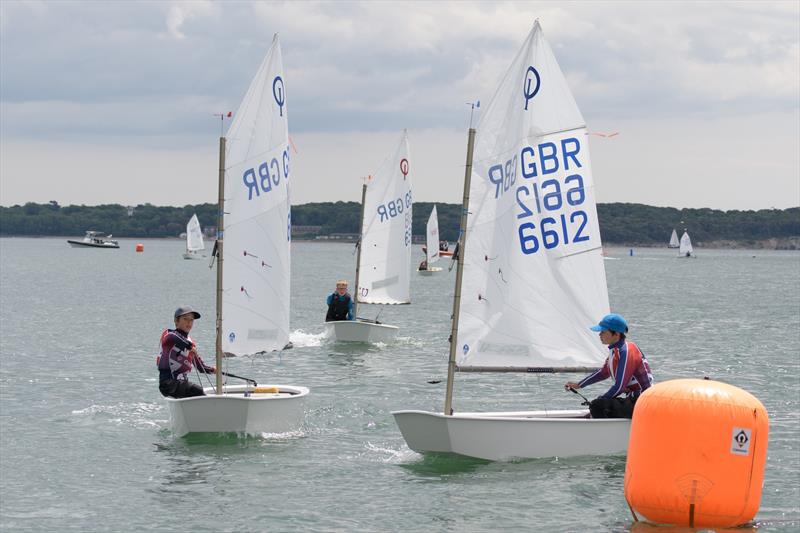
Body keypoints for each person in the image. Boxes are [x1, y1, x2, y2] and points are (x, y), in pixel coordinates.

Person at [564, 313, 653, 419]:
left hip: (643, 402)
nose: (599, 334)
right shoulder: (615, 351)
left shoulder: (628, 351)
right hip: (633, 400)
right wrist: (579, 384)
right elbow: (603, 373)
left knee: (598, 405)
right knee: (598, 404)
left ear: (616, 334)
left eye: (603, 331)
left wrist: (601, 400)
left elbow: (620, 387)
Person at [157, 306, 216, 398]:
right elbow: (175, 337)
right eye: (185, 319)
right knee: (197, 390)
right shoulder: (169, 335)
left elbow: (200, 367)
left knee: (196, 391)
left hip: (181, 385)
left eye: (191, 320)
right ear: (176, 321)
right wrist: (189, 346)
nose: (189, 322)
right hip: (168, 384)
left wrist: (213, 370)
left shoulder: (190, 344)